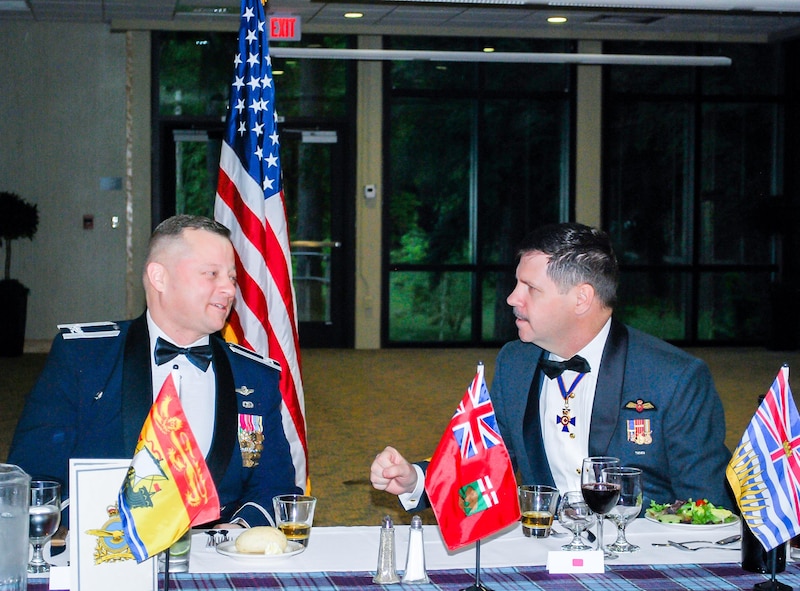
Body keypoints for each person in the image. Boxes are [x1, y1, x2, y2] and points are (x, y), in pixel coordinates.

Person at [371, 222, 732, 511]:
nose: (512, 298)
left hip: (639, 558)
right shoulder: (516, 361)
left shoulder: (675, 377)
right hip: (545, 547)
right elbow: (485, 465)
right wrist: (415, 480)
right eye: (516, 284)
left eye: (530, 288)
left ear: (581, 299)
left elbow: (706, 506)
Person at [9, 214, 301, 528]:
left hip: (217, 556)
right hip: (107, 553)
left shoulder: (253, 377)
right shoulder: (85, 358)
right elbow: (35, 473)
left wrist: (239, 532)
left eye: (231, 277)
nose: (229, 289)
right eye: (211, 274)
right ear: (159, 277)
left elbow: (277, 485)